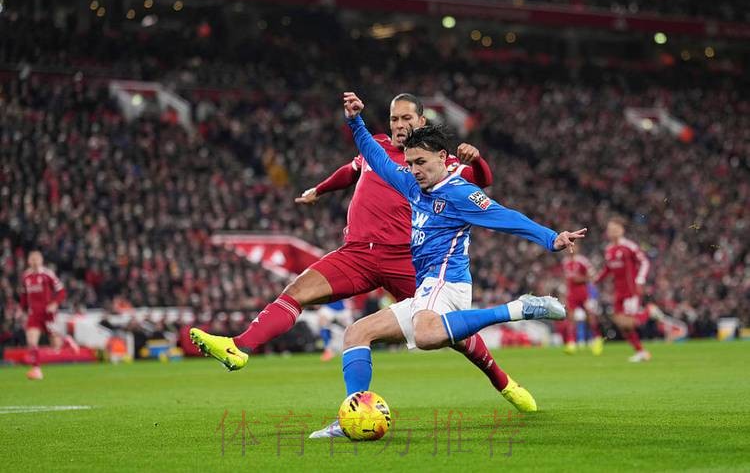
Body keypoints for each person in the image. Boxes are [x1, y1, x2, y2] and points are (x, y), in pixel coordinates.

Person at [191, 93, 535, 412]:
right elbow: (350, 171)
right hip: (357, 254)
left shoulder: (434, 162)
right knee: (297, 291)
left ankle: (503, 382)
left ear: (421, 122)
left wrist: (479, 160)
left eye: (406, 118)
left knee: (446, 333)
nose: (399, 125)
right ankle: (240, 347)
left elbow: (480, 180)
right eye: (394, 118)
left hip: (406, 259)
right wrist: (319, 190)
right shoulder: (378, 146)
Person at [309, 92, 586, 438]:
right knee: (356, 333)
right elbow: (376, 156)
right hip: (427, 287)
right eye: (411, 163)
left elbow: (505, 217)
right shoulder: (411, 183)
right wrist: (355, 121)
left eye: (422, 163)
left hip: (448, 282)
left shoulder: (459, 193)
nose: (415, 170)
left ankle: (519, 308)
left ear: (442, 158)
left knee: (426, 335)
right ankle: (353, 413)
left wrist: (551, 238)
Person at [595, 217, 652, 362]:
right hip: (618, 291)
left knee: (629, 323)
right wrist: (597, 279)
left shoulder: (629, 247)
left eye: (615, 229)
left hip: (631, 290)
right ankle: (641, 352)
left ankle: (649, 311)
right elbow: (608, 268)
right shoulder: (609, 249)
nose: (612, 232)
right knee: (621, 324)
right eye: (610, 229)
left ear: (622, 230)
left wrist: (640, 280)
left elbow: (644, 262)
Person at [18, 250, 71, 380]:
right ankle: (36, 370)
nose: (35, 262)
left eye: (37, 259)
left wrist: (54, 303)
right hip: (33, 314)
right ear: (28, 261)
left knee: (56, 345)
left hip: (47, 313)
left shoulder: (48, 274)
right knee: (31, 341)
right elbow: (24, 295)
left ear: (41, 260)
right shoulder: (26, 276)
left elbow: (61, 291)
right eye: (32, 259)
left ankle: (66, 341)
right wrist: (22, 310)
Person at [561, 247, 603, 355]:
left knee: (590, 317)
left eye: (572, 247)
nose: (570, 249)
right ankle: (571, 343)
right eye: (568, 247)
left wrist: (581, 279)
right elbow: (566, 279)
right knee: (571, 318)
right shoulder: (565, 262)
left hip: (583, 293)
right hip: (571, 294)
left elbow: (593, 276)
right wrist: (565, 292)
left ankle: (597, 339)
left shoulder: (582, 261)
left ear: (577, 248)